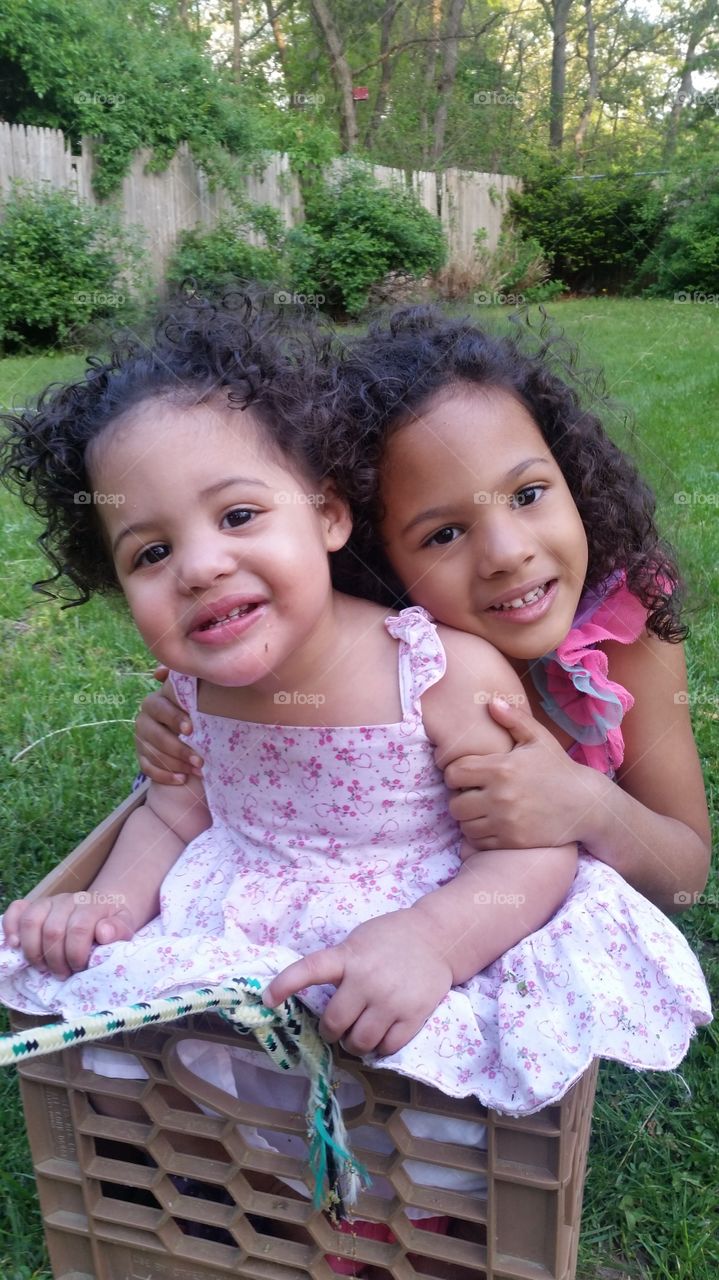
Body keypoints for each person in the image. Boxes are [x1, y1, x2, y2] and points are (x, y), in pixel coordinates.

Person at [0, 296, 710, 1274]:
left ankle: (384, 1211)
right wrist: (118, 893)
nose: (503, 551)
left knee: (426, 1089)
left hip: (440, 901)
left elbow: (644, 868)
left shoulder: (476, 667)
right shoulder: (246, 664)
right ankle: (235, 1189)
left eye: (528, 492)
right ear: (374, 546)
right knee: (147, 1043)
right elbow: (178, 801)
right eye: (152, 552)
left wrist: (563, 819)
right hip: (253, 909)